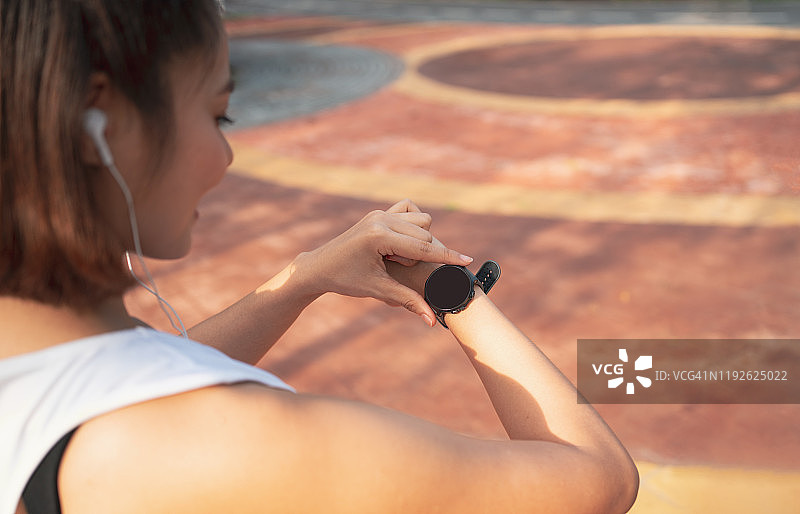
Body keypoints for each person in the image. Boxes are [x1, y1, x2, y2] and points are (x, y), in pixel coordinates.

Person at [0, 1, 638, 512]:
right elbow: (599, 479)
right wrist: (449, 288)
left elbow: (134, 377)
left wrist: (303, 278)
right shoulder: (250, 447)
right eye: (218, 116)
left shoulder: (40, 366)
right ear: (101, 126)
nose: (226, 158)